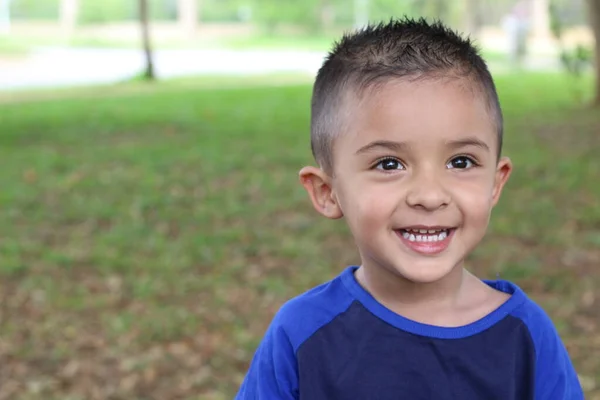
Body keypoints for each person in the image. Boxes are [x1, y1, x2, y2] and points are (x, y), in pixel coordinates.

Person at [235, 17, 583, 399]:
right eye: (389, 164)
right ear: (327, 192)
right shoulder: (302, 333)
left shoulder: (526, 336)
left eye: (461, 162)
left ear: (495, 183)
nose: (430, 196)